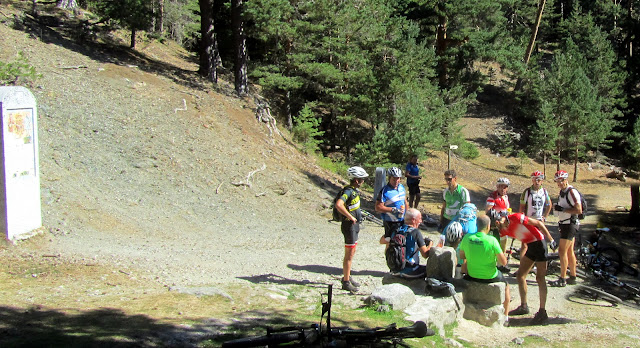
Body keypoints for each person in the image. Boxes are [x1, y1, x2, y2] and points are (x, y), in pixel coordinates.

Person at [497, 213, 557, 325]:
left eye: (500, 221)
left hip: (540, 244)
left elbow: (538, 223)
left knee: (540, 278)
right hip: (531, 246)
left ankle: (542, 312)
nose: (499, 224)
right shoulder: (500, 230)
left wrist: (551, 240)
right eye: (497, 222)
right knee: (520, 275)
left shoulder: (516, 217)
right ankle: (524, 306)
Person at [459, 215, 511, 323]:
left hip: (472, 275)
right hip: (490, 276)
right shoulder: (492, 240)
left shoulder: (467, 237)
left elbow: (462, 256)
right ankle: (506, 316)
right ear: (488, 226)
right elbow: (503, 262)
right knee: (507, 287)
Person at [335, 166, 369, 292]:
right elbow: (339, 204)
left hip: (354, 226)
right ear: (356, 180)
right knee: (349, 254)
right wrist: (350, 217)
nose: (363, 181)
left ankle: (347, 275)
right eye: (362, 179)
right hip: (349, 226)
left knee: (352, 252)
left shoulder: (354, 191)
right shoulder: (348, 191)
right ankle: (345, 281)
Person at [549, 170, 582, 287]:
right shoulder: (562, 192)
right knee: (569, 251)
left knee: (561, 251)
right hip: (565, 224)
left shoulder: (571, 192)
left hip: (570, 224)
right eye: (558, 181)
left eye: (562, 180)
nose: (560, 183)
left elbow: (579, 210)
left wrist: (563, 210)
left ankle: (562, 279)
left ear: (566, 179)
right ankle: (573, 276)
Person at [381, 208, 434, 278]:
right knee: (432, 271)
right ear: (413, 220)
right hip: (410, 270)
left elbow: (382, 241)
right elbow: (425, 254)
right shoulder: (416, 232)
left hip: (394, 270)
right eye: (420, 219)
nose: (421, 221)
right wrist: (430, 243)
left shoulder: (395, 230)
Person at [517, 171, 552, 258]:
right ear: (532, 180)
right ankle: (522, 265)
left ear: (542, 181)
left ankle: (536, 263)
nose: (537, 182)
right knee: (525, 244)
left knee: (538, 243)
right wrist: (521, 218)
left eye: (539, 180)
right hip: (528, 220)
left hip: (539, 220)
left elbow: (549, 204)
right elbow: (522, 206)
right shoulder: (527, 192)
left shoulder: (544, 191)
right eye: (535, 180)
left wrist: (545, 217)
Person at [376, 167, 409, 243]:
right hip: (390, 221)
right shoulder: (385, 191)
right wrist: (393, 210)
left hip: (402, 219)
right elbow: (378, 207)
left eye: (398, 178)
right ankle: (388, 253)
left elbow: (405, 201)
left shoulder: (401, 187)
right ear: (389, 178)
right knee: (391, 241)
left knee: (401, 240)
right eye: (394, 179)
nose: (396, 181)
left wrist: (408, 213)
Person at [485, 177, 511, 252]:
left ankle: (502, 260)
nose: (503, 189)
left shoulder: (505, 197)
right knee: (494, 244)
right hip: (495, 224)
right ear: (497, 186)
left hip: (504, 224)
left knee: (503, 242)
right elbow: (488, 211)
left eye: (505, 187)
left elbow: (506, 209)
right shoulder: (492, 197)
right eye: (500, 186)